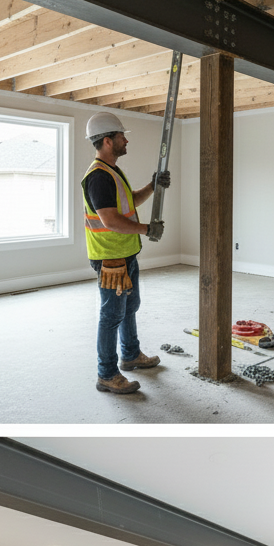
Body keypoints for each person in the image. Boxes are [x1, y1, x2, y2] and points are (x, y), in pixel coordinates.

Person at [82, 112, 170, 396]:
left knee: (130, 307)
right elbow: (109, 220)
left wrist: (153, 186)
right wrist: (147, 229)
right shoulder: (97, 177)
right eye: (121, 136)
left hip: (126, 255)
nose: (126, 139)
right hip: (110, 259)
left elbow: (128, 202)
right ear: (108, 141)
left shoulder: (112, 172)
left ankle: (130, 355)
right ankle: (106, 374)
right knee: (111, 316)